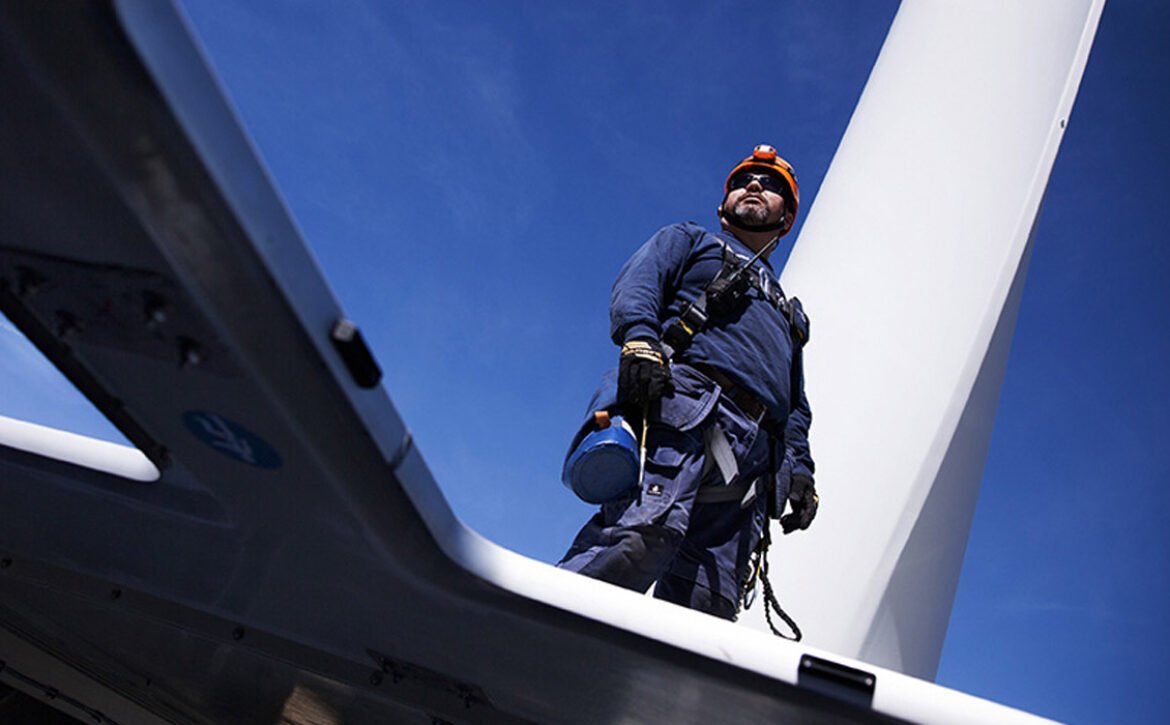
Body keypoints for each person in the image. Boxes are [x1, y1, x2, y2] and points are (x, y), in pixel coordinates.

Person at [556, 144, 818, 622]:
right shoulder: (691, 240)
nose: (754, 185)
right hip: (689, 406)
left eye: (771, 185)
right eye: (743, 181)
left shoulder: (790, 314)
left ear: (786, 219)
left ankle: (645, 673)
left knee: (708, 601)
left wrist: (800, 470)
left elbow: (795, 403)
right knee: (639, 537)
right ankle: (532, 631)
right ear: (723, 206)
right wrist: (639, 339)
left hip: (754, 459)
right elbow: (642, 281)